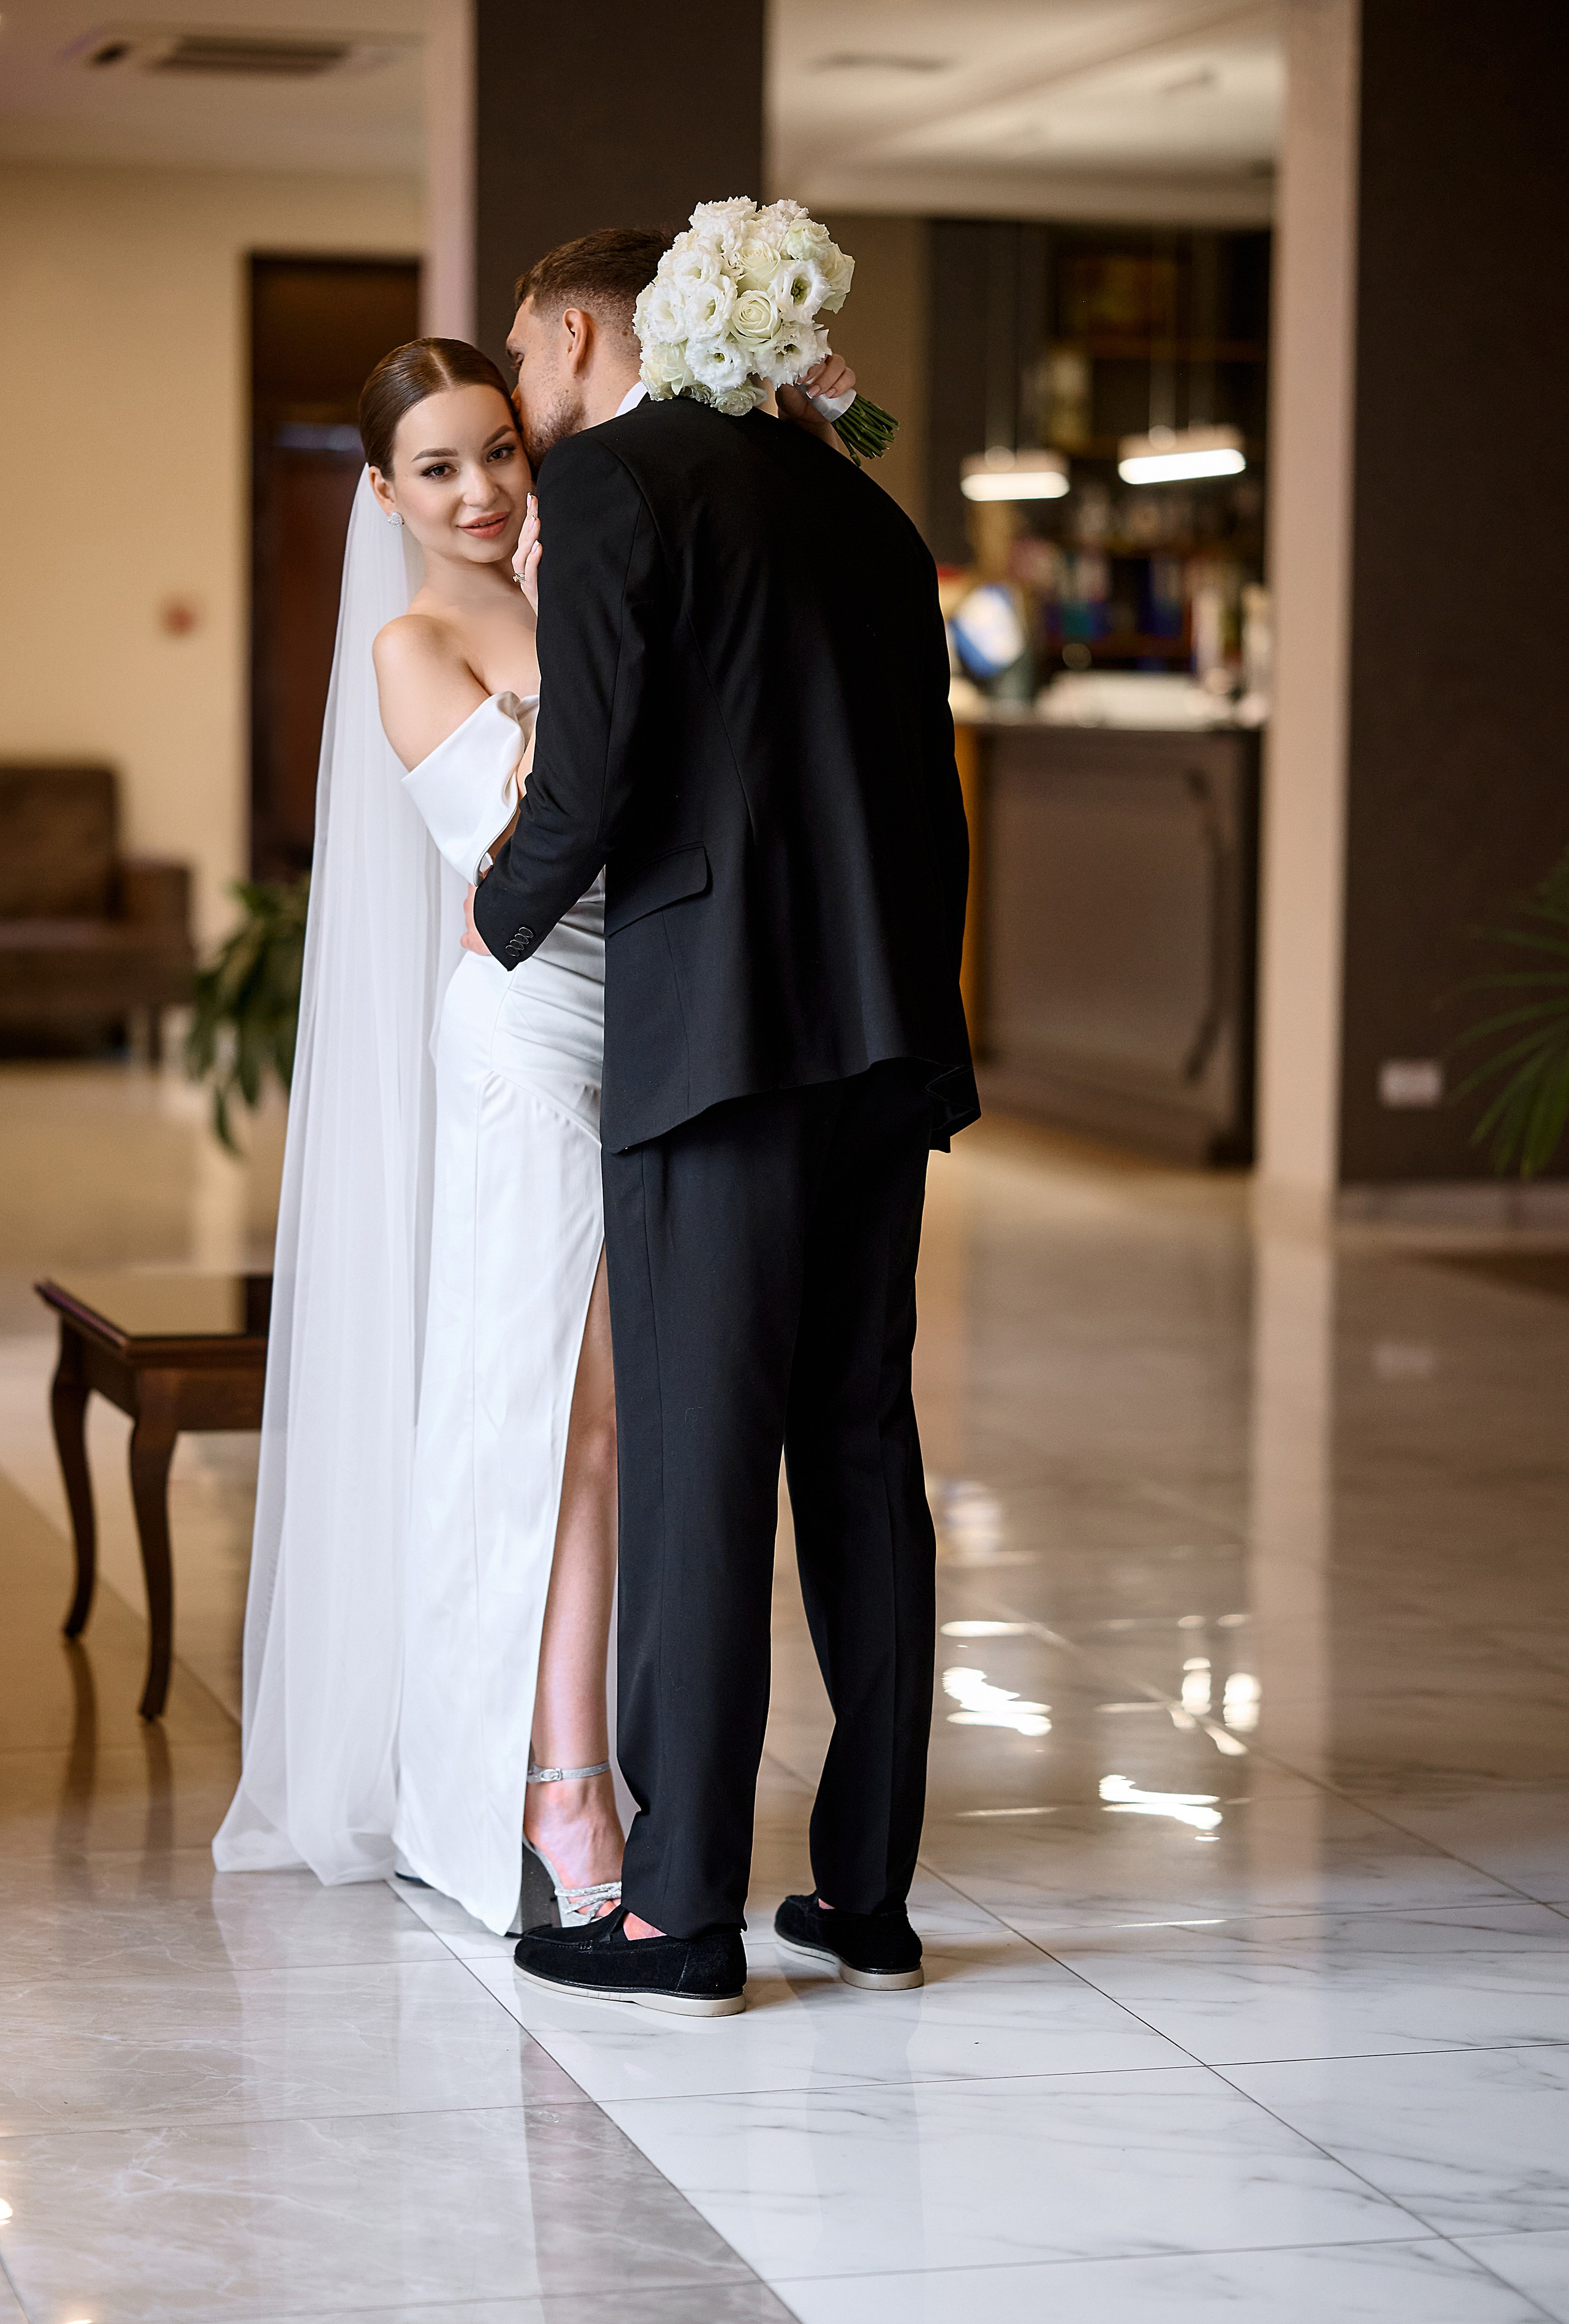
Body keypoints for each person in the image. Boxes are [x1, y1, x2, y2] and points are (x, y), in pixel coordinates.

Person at [215, 299, 857, 1939]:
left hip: (648, 1032)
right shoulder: (411, 650)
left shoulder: (582, 581)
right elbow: (530, 846)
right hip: (527, 1040)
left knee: (624, 1428)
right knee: (559, 1428)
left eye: (502, 451)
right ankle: (551, 1784)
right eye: (439, 470)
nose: (484, 491)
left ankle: (580, 1761)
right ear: (384, 496)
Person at [478, 229, 977, 2017]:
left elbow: (597, 770)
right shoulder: (865, 511)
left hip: (715, 1043)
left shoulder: (619, 479)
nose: (527, 411)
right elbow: (928, 800)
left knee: (696, 1461)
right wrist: (921, 1024)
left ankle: (677, 1914)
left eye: (528, 365)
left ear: (585, 330)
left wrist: (501, 905)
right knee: (857, 1453)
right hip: (880, 1043)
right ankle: (868, 1900)